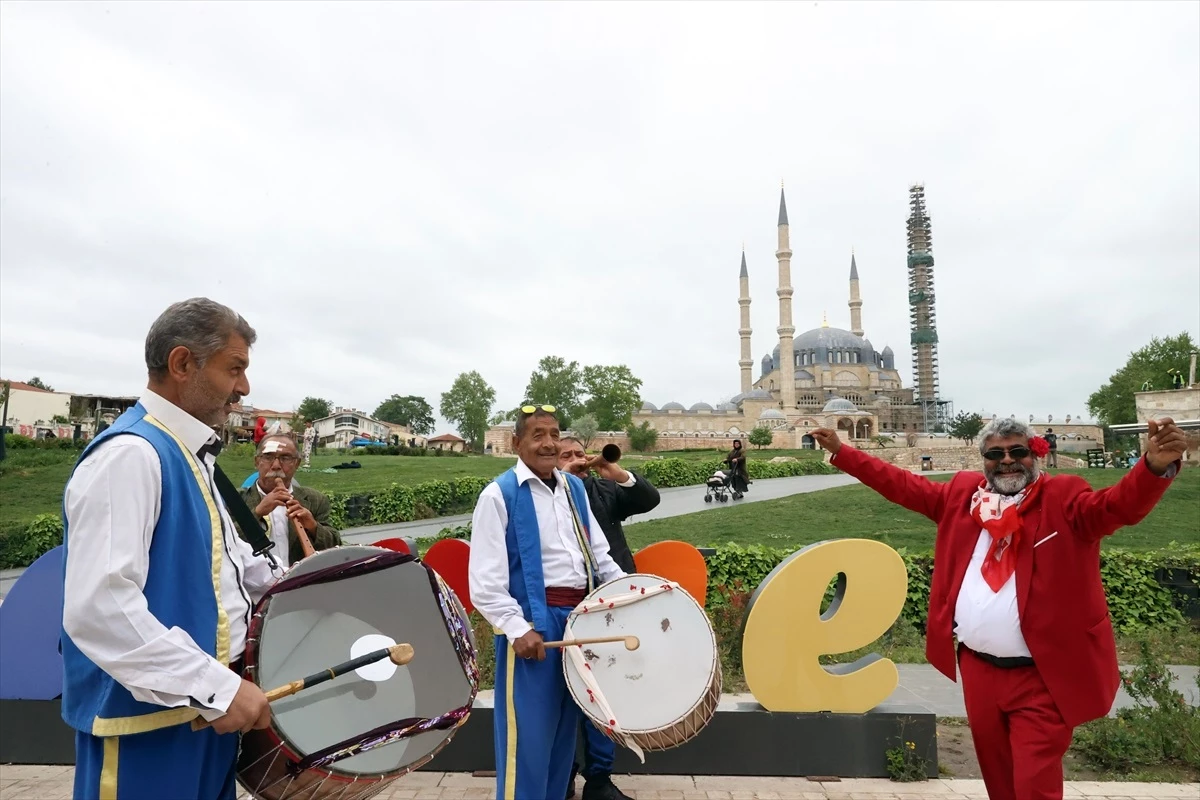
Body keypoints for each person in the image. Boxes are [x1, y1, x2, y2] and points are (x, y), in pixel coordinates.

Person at [810, 416, 1186, 800]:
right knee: (999, 780)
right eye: (995, 454)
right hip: (979, 670)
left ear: (1035, 454)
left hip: (1041, 677)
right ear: (983, 460)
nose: (1007, 461)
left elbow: (1117, 507)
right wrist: (843, 452)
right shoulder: (962, 497)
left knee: (1033, 784)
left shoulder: (1064, 498)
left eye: (1017, 451)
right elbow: (901, 485)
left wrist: (1153, 467)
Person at [61, 298, 279, 800]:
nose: (243, 388)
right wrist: (219, 689)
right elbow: (101, 609)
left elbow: (234, 568)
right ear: (183, 364)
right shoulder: (129, 456)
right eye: (235, 368)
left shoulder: (189, 455)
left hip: (205, 711)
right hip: (146, 728)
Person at [468, 405, 627, 800]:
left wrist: (633, 596)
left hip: (579, 625)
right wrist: (517, 628)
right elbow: (485, 582)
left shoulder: (574, 489)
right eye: (538, 435)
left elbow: (600, 556)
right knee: (528, 741)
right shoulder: (499, 495)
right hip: (532, 628)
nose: (549, 443)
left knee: (562, 739)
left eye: (554, 434)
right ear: (516, 442)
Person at [557, 437, 662, 800]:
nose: (576, 460)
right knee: (567, 692)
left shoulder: (601, 488)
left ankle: (599, 780)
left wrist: (615, 472)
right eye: (565, 456)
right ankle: (563, 774)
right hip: (564, 603)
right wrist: (563, 482)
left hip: (610, 601)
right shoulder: (542, 497)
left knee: (606, 691)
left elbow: (649, 500)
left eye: (578, 454)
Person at [238, 433, 342, 568]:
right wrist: (257, 513)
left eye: (285, 458)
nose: (276, 465)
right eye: (268, 457)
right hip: (252, 587)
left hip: (300, 583)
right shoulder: (235, 499)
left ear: (297, 463)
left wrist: (313, 527)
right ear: (257, 462)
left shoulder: (315, 499)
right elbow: (221, 543)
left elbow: (335, 545)